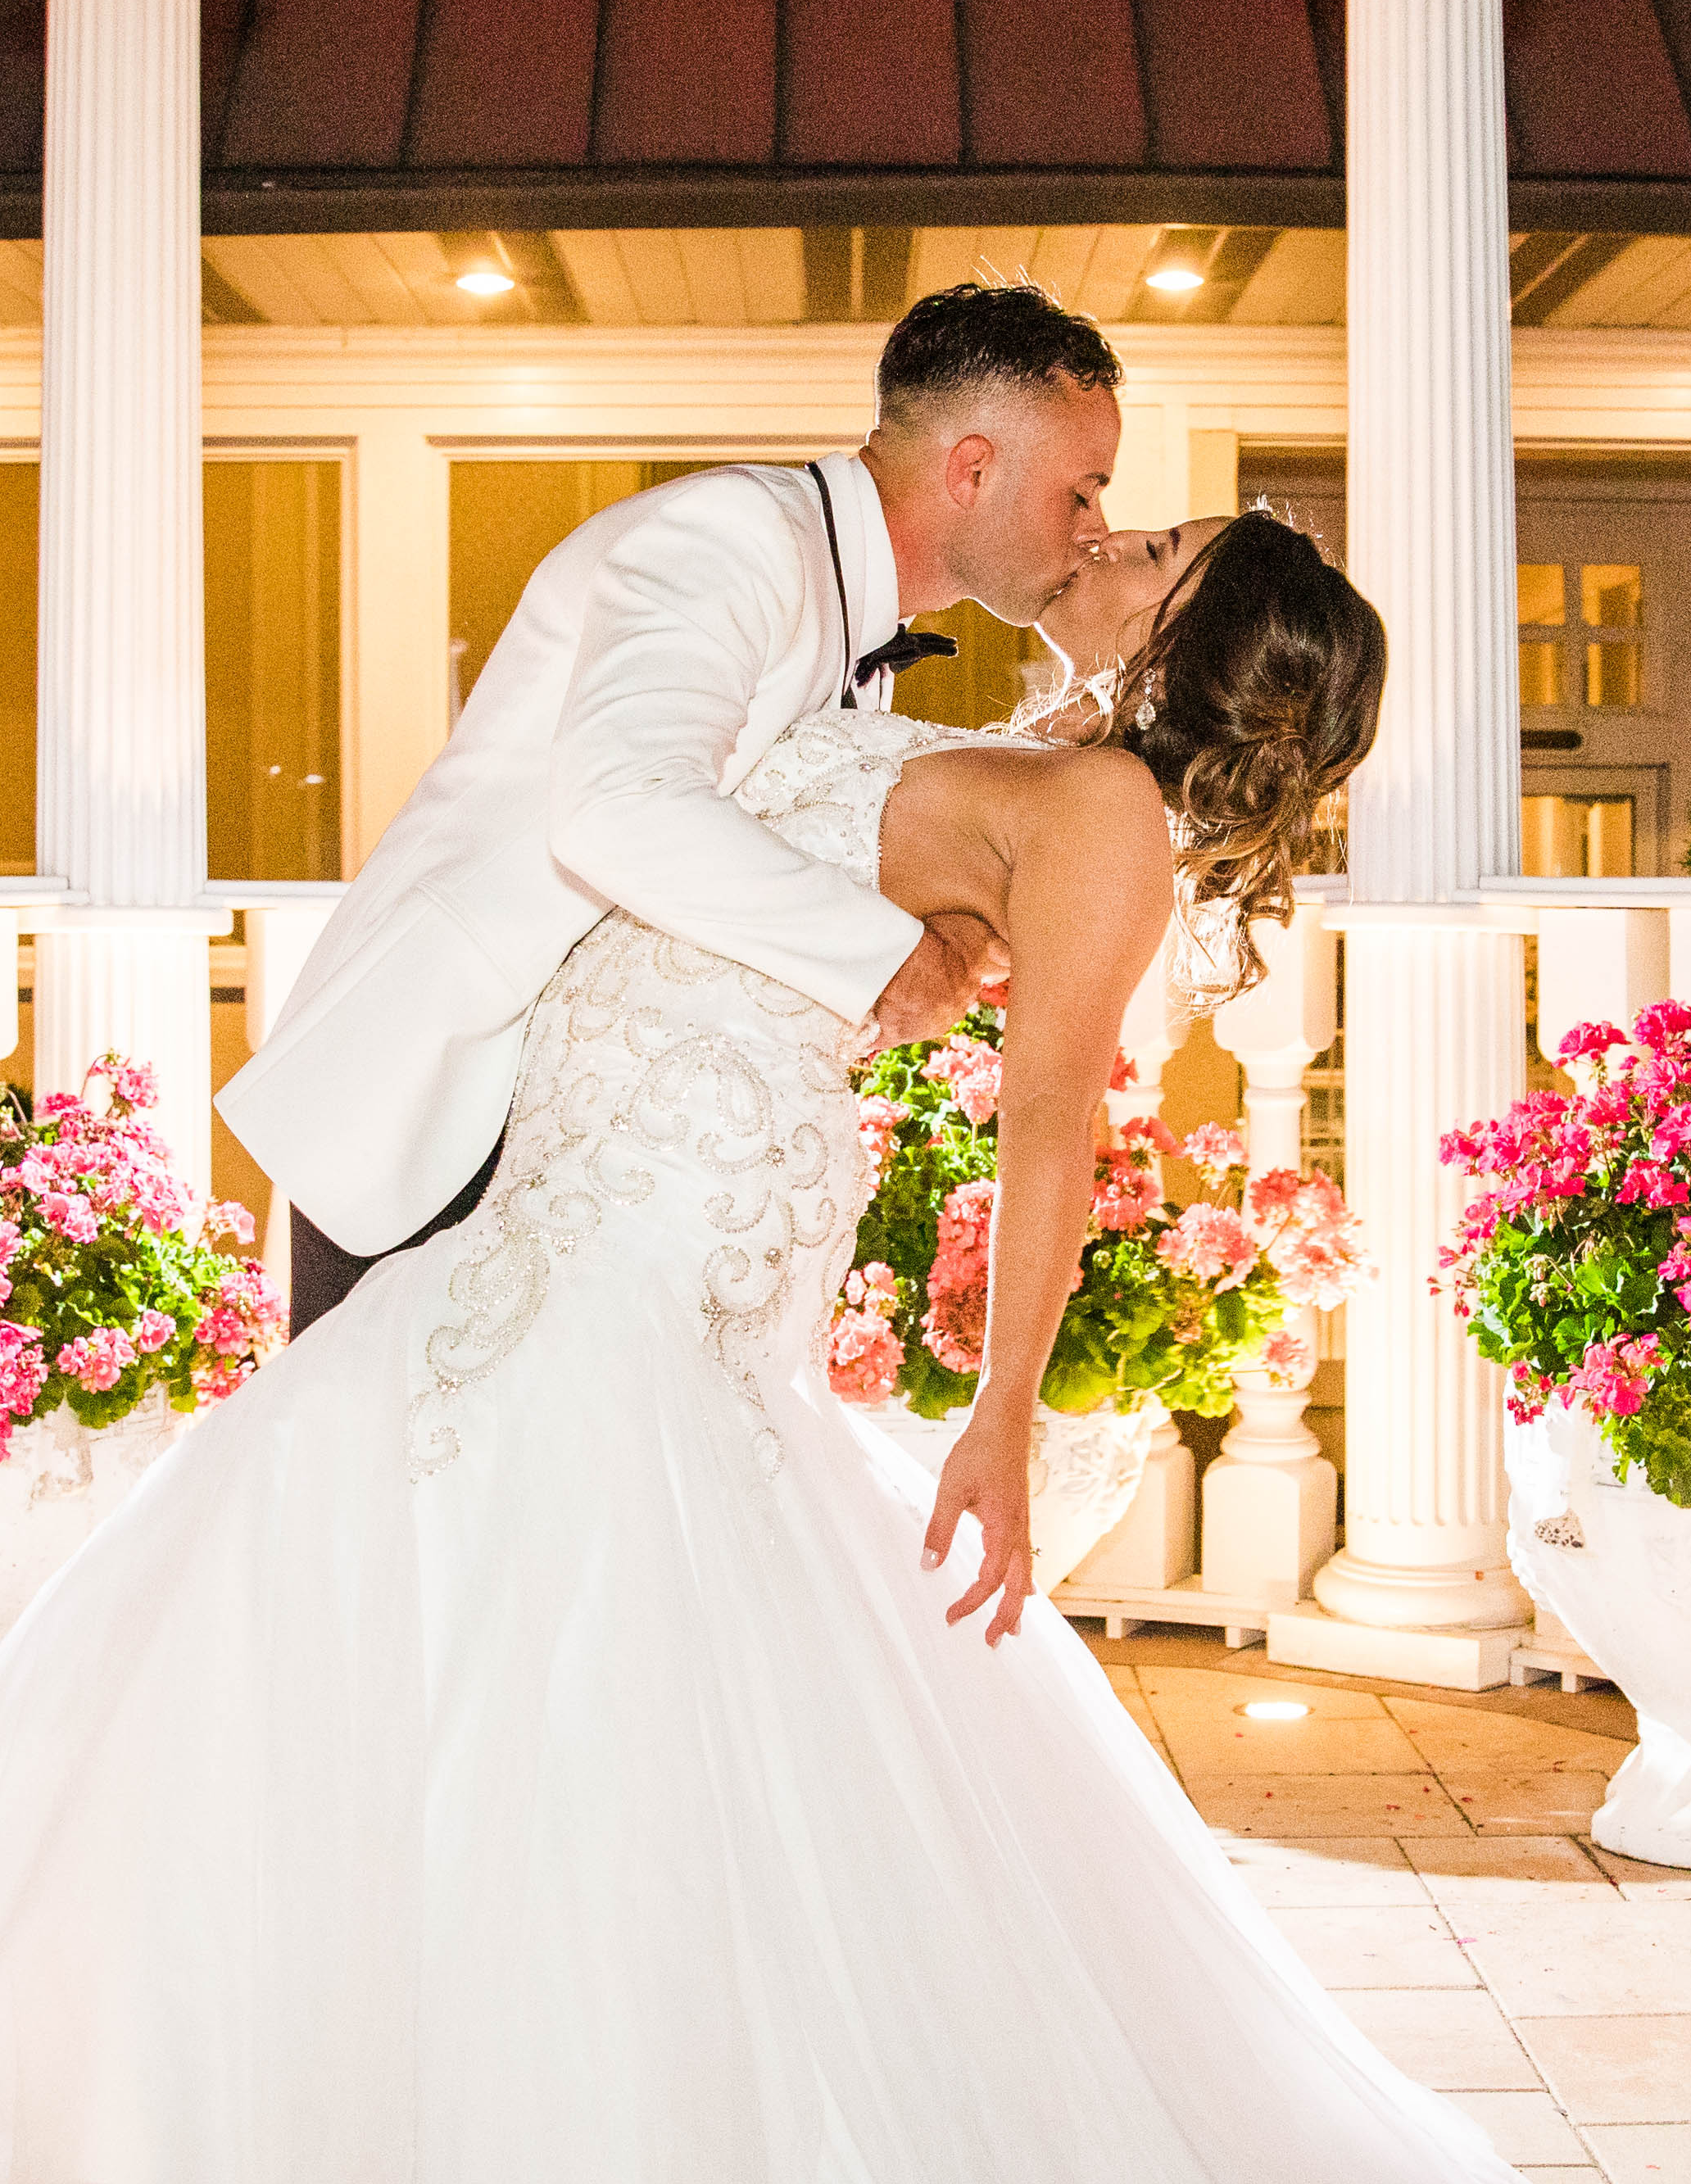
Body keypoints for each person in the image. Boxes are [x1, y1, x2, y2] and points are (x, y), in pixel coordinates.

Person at [0, 504, 1554, 2184]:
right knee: (433, 1637)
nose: (1118, 531)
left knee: (568, 1655)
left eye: (1169, 543)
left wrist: (1001, 1415)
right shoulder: (1017, 757)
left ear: (1196, 634)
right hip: (577, 1178)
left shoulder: (1102, 802)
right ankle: (396, 2180)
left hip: (671, 1216)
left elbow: (1055, 1119)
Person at [224, 283, 1117, 1384]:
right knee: (386, 1509)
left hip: (596, 1129)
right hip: (452, 1103)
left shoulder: (841, 608)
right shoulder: (734, 533)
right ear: (972, 469)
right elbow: (620, 806)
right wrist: (889, 958)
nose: (1096, 528)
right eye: (1082, 489)